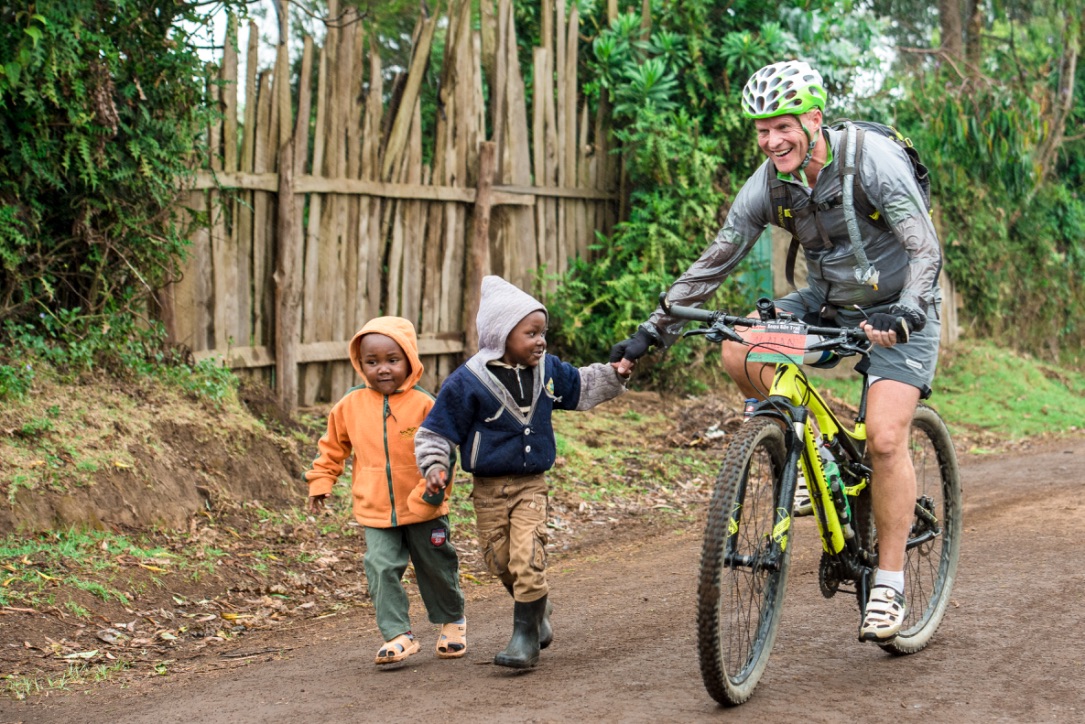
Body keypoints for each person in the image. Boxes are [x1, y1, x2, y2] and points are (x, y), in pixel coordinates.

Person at [610, 60, 943, 643]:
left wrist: (910, 309)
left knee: (888, 437)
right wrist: (652, 330)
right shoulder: (768, 182)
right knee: (740, 346)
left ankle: (888, 584)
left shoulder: (873, 162)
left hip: (898, 311)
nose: (772, 141)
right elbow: (717, 260)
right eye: (762, 130)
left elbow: (924, 249)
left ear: (814, 119)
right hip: (826, 301)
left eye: (783, 126)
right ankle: (801, 441)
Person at [415, 275, 630, 669]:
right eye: (531, 333)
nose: (541, 340)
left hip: (531, 484)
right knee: (499, 561)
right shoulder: (468, 382)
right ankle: (536, 612)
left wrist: (616, 374)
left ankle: (524, 638)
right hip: (487, 489)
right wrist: (432, 466)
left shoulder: (547, 371)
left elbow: (582, 385)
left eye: (542, 332)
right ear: (501, 335)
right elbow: (437, 430)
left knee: (527, 556)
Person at [306, 316, 466, 666]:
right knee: (380, 567)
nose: (382, 369)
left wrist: (435, 487)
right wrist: (322, 481)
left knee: (436, 567)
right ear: (359, 363)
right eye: (372, 361)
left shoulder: (425, 404)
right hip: (376, 508)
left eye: (392, 360)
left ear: (410, 358)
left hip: (425, 507)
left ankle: (452, 621)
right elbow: (333, 447)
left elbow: (443, 451)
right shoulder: (350, 405)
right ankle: (398, 635)